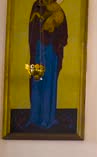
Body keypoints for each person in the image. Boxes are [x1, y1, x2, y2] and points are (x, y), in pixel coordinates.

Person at [27, 0, 68, 128]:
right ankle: (34, 117)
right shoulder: (37, 6)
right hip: (37, 51)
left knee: (48, 84)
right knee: (36, 83)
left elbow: (63, 35)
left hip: (51, 51)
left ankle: (47, 118)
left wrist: (53, 27)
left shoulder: (58, 10)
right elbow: (32, 30)